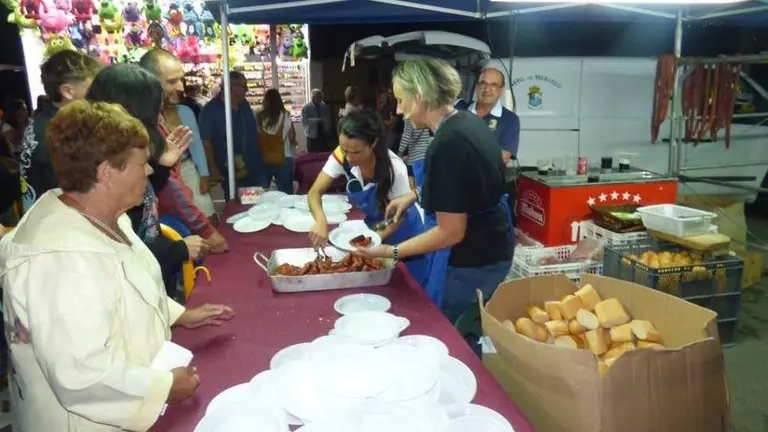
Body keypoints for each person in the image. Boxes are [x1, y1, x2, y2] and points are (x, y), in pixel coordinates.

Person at [0, 100, 234, 431]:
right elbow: (81, 377)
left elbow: (127, 287)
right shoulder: (60, 262)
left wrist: (180, 314)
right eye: (142, 163)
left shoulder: (104, 218)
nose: (151, 171)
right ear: (107, 172)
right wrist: (162, 388)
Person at [357, 59, 515, 323]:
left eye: (400, 100)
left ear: (419, 97)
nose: (398, 109)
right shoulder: (466, 120)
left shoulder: (446, 144)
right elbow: (467, 181)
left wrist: (392, 252)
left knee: (452, 330)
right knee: (474, 323)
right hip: (496, 242)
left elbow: (451, 231)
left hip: (472, 259)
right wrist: (414, 195)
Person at [85, 64, 210, 299]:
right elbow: (123, 245)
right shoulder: (108, 166)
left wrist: (163, 165)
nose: (160, 116)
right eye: (156, 109)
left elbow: (144, 203)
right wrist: (177, 250)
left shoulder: (125, 151)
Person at [308, 110, 428, 287]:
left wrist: (372, 244)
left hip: (404, 236)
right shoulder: (343, 156)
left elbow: (399, 218)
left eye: (355, 152)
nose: (348, 157)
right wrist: (320, 220)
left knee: (406, 290)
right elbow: (314, 192)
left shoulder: (394, 168)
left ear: (373, 144)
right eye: (344, 149)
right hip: (375, 230)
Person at [140, 49, 218, 225]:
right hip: (160, 186)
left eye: (180, 79)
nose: (181, 88)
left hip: (186, 169)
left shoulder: (184, 112)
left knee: (208, 218)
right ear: (149, 81)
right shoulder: (139, 119)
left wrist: (204, 175)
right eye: (172, 81)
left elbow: (196, 144)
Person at [18, 50, 103, 211]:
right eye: (92, 89)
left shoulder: (43, 121)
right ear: (68, 91)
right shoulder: (60, 132)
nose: (98, 96)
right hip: (53, 222)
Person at [456, 67, 521, 214]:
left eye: (493, 85)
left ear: (501, 90)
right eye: (483, 84)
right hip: (456, 194)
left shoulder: (509, 119)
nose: (487, 89)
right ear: (477, 87)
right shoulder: (459, 111)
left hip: (488, 197)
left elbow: (502, 157)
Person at [199, 71, 264, 198]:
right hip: (230, 171)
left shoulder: (244, 104)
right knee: (237, 208)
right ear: (232, 88)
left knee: (257, 203)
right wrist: (212, 168)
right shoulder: (210, 110)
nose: (247, 90)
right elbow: (206, 142)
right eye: (244, 86)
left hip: (253, 166)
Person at [257, 88, 298, 193]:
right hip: (284, 157)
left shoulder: (260, 116)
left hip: (264, 157)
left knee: (262, 191)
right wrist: (294, 142)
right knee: (286, 192)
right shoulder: (286, 115)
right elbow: (292, 136)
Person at [397, 119, 431, 191]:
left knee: (413, 190)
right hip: (425, 157)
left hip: (415, 161)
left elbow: (406, 137)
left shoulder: (409, 118)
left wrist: (399, 154)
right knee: (423, 189)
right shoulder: (423, 117)